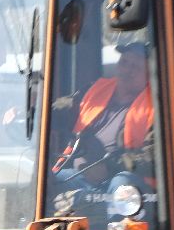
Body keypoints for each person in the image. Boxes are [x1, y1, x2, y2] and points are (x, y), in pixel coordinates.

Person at [52, 41, 154, 184]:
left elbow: (154, 155)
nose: (127, 70)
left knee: (122, 183)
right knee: (49, 181)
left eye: (136, 67)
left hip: (122, 180)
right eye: (124, 62)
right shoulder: (96, 89)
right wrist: (35, 114)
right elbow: (63, 110)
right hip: (79, 173)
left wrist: (109, 167)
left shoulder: (157, 106)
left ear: (150, 74)